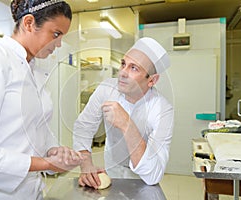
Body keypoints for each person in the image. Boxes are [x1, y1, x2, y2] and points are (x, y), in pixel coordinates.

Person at [0, 0, 83, 199]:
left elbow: (29, 132)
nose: (59, 44)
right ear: (28, 23)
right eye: (56, 34)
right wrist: (44, 164)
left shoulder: (35, 70)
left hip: (29, 192)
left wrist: (53, 151)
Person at [73, 37, 174, 189]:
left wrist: (126, 124)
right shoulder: (106, 89)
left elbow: (153, 174)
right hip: (112, 168)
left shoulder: (162, 110)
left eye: (134, 68)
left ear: (152, 80)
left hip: (144, 179)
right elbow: (84, 126)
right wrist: (86, 165)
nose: (122, 73)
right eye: (123, 64)